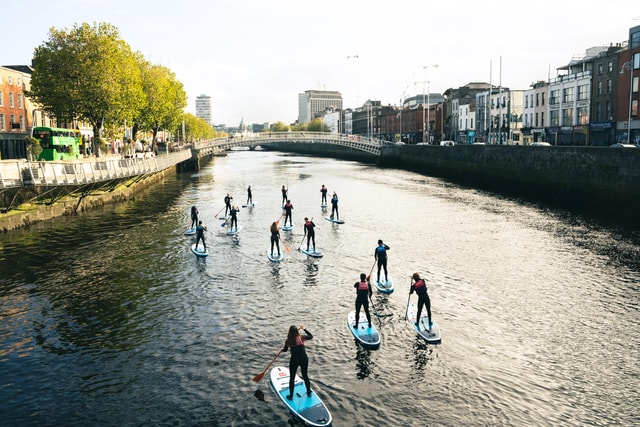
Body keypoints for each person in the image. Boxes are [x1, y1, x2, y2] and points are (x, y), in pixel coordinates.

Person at [282, 324, 313, 400]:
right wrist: (304, 329)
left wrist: (283, 349)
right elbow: (311, 336)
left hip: (294, 360)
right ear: (297, 331)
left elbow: (285, 350)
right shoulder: (302, 337)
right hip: (304, 359)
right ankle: (308, 392)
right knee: (305, 375)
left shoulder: (288, 341)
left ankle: (291, 396)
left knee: (292, 378)